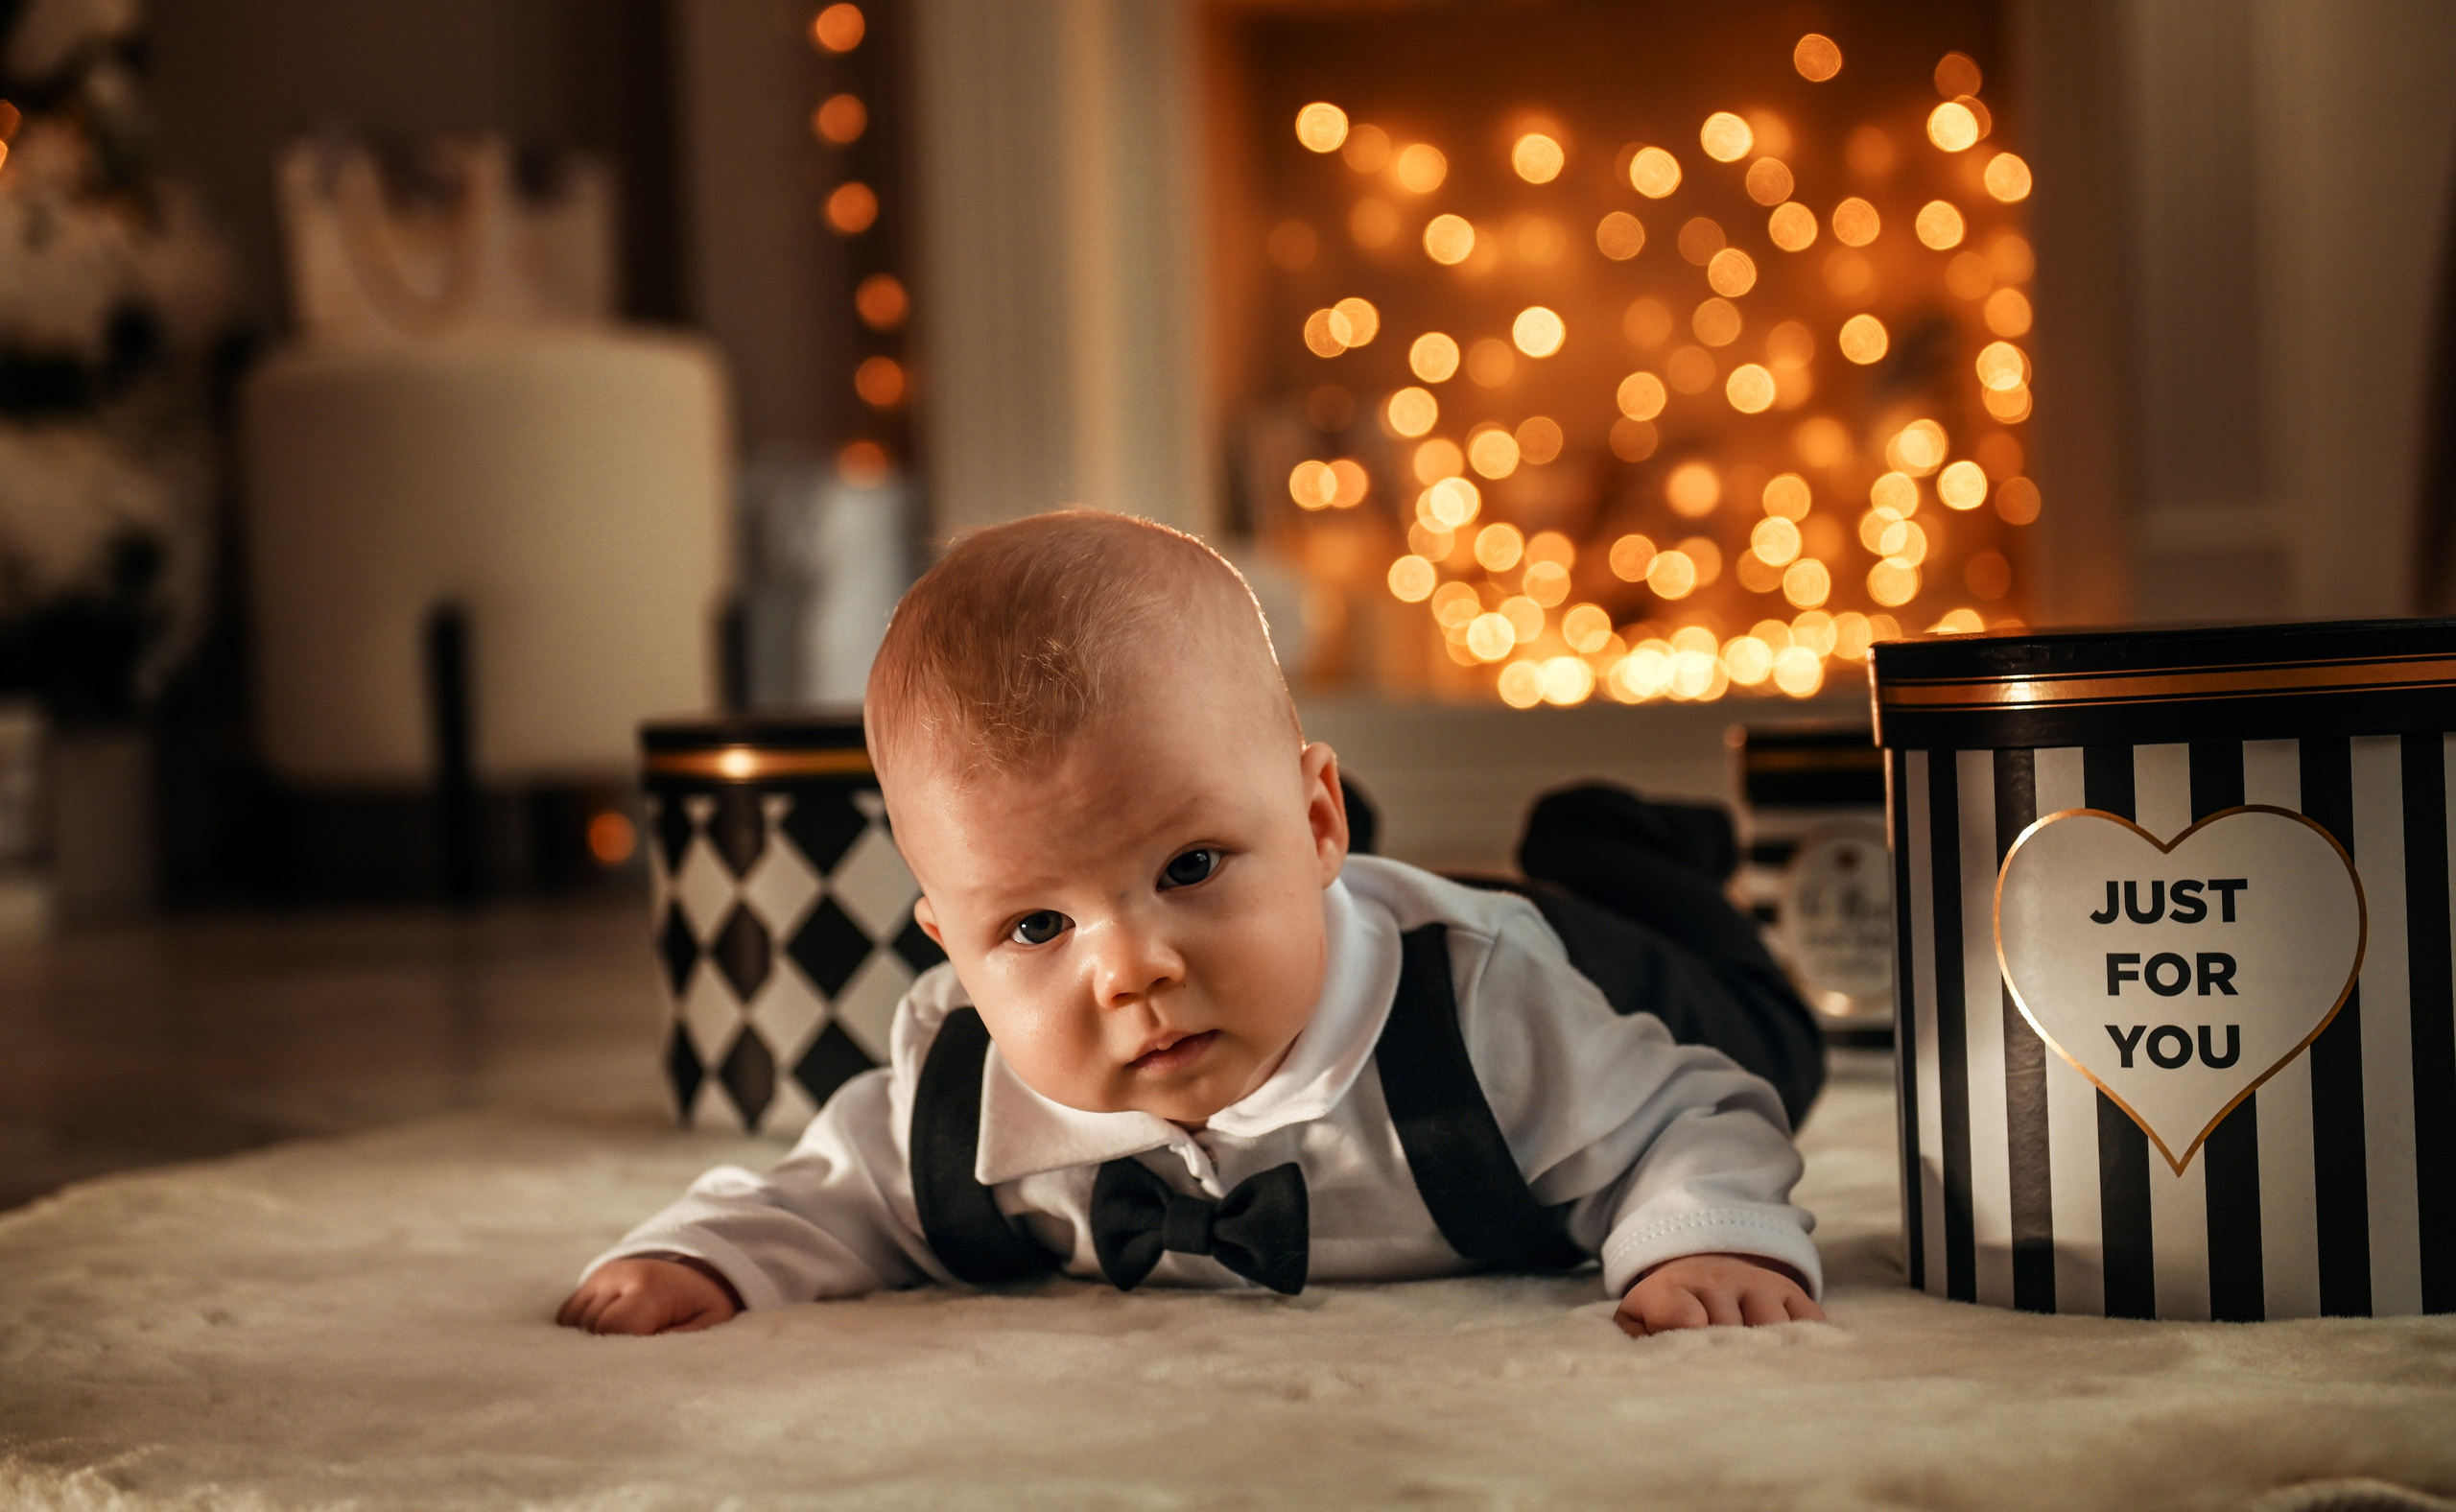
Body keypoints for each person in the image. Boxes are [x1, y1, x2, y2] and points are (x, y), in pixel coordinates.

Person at [559, 510, 1828, 1339]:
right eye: (1037, 926)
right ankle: (1246, 848)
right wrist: (706, 1260)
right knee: (1223, 873)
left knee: (1770, 1033)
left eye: (1185, 866)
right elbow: (825, 1197)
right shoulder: (959, 1095)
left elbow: (1693, 1114)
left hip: (1572, 948)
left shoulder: (1490, 1012)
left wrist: (1695, 1241)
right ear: (947, 945)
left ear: (1317, 818)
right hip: (1314, 893)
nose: (1133, 969)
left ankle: (1623, 840)